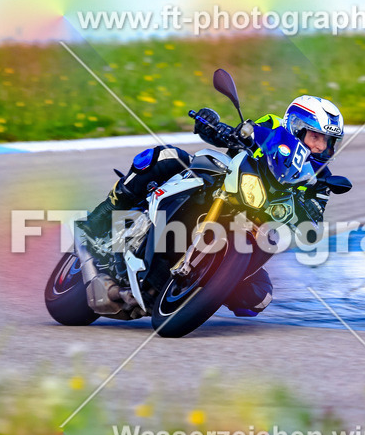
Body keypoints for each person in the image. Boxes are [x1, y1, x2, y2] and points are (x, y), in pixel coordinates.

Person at [81, 94, 345, 316]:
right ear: (296, 126)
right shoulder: (273, 127)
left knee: (258, 298)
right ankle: (100, 219)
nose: (321, 147)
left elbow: (313, 223)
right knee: (166, 157)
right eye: (316, 137)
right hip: (228, 184)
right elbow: (241, 134)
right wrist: (213, 126)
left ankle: (207, 286)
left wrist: (307, 217)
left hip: (257, 226)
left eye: (328, 142)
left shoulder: (322, 179)